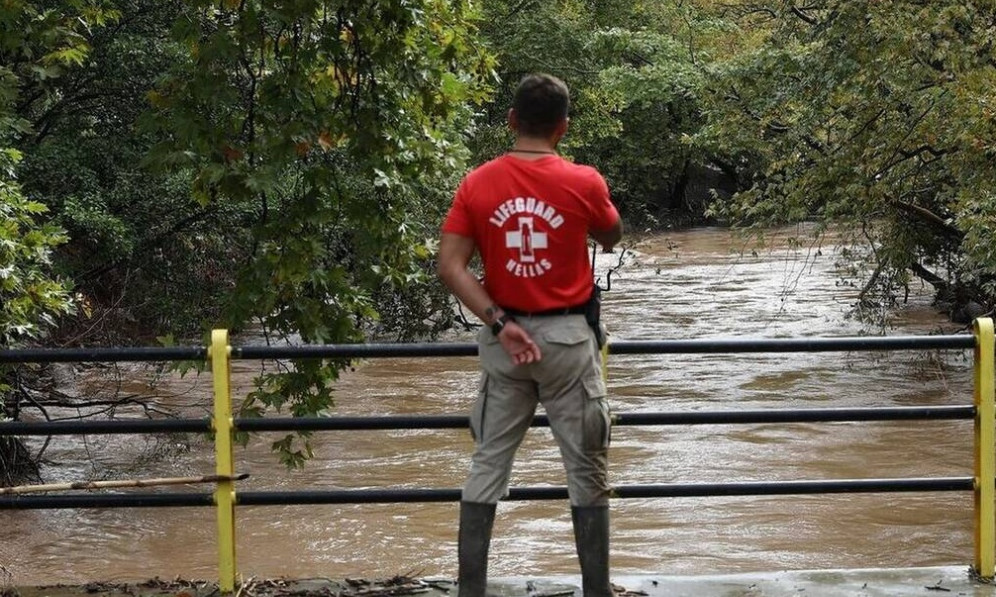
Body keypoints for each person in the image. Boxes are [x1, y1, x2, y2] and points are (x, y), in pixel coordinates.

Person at [437, 73, 623, 597]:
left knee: (488, 463)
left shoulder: (477, 183)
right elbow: (611, 233)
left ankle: (471, 590)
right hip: (567, 339)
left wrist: (501, 324)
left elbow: (450, 267)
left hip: (505, 338)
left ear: (512, 120)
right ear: (563, 128)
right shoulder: (584, 181)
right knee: (586, 465)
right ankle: (596, 591)